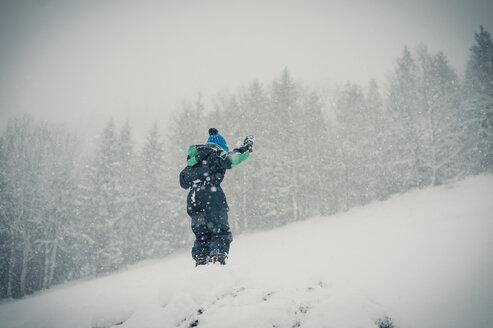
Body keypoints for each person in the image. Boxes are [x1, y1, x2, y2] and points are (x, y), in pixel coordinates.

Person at [179, 128, 254, 266]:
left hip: (193, 199)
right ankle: (218, 261)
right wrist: (246, 149)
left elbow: (182, 181)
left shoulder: (194, 160)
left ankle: (201, 263)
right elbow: (232, 159)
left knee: (202, 236)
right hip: (211, 196)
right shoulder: (215, 154)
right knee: (220, 230)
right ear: (220, 147)